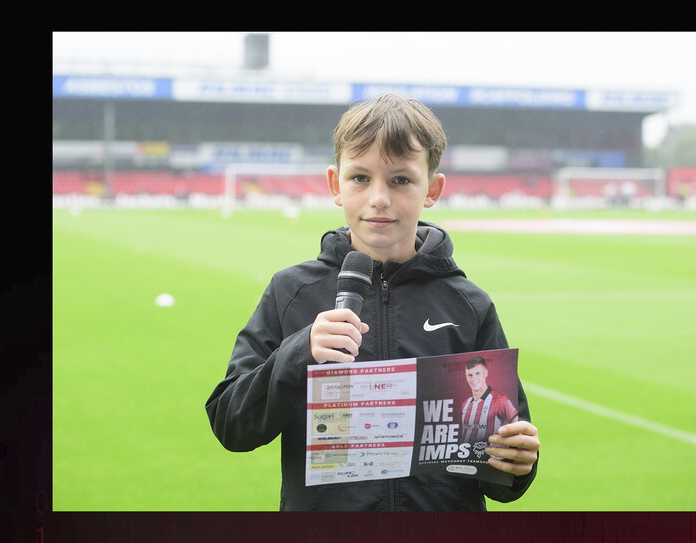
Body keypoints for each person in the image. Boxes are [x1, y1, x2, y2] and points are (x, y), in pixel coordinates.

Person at [205, 93, 540, 511]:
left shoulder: (468, 305)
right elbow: (231, 426)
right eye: (361, 178)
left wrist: (518, 463)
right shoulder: (291, 292)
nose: (379, 197)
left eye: (400, 179)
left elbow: (501, 466)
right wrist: (298, 351)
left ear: (432, 189)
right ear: (335, 185)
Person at [460, 356, 519, 445]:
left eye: (477, 373)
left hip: (491, 457)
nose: (473, 379)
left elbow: (517, 428)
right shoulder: (466, 403)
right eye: (470, 375)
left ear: (485, 373)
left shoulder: (500, 400)